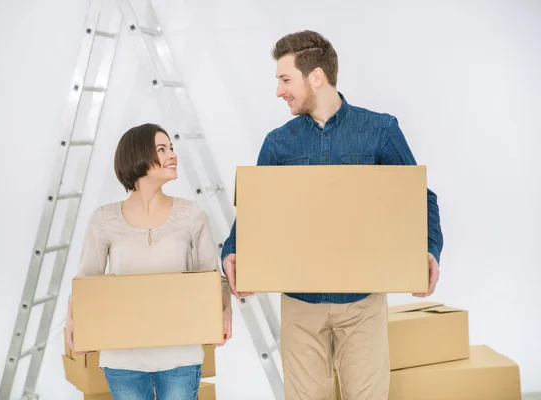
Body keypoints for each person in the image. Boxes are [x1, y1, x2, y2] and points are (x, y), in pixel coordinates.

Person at [221, 31, 444, 399]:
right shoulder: (278, 143)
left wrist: (429, 250)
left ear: (317, 76)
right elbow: (255, 214)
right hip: (300, 306)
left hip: (362, 303)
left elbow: (420, 200)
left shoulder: (380, 130)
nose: (279, 91)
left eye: (285, 79)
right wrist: (232, 250)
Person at [65, 123, 232, 400]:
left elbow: (212, 278)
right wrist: (74, 324)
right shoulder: (103, 219)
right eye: (162, 149)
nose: (172, 155)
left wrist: (225, 313)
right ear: (137, 156)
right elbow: (86, 283)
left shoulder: (192, 215)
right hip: (123, 359)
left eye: (172, 149)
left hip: (180, 355)